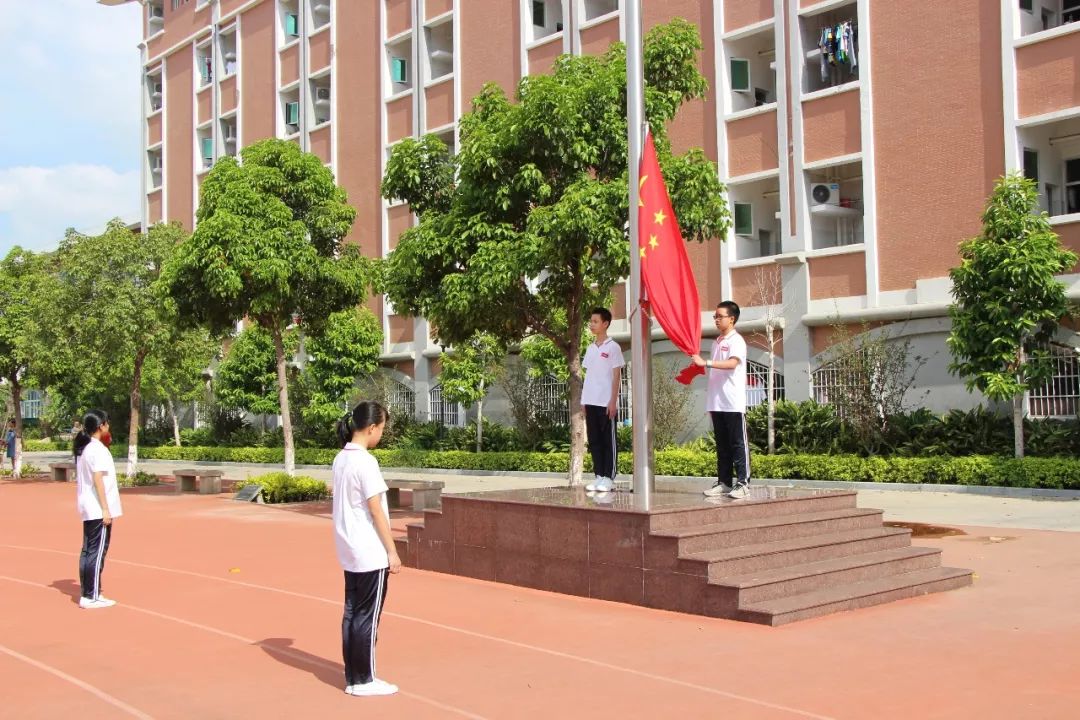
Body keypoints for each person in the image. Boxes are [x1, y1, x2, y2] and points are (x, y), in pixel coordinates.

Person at [332, 401, 401, 697]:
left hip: (348, 549)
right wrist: (392, 551)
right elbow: (376, 510)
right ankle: (364, 679)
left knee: (352, 613)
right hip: (368, 551)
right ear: (371, 428)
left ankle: (354, 675)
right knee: (367, 616)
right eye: (382, 429)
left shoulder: (341, 458)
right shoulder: (365, 462)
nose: (381, 435)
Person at [692, 301, 751, 500]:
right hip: (716, 402)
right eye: (715, 317)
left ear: (731, 319)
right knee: (722, 445)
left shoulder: (737, 340)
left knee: (737, 444)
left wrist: (706, 362)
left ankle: (743, 483)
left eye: (720, 316)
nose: (716, 320)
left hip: (732, 402)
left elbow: (733, 363)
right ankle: (724, 482)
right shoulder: (716, 342)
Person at [74, 410, 122, 609]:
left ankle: (90, 592)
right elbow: (98, 480)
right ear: (101, 425)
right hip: (97, 507)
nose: (108, 426)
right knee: (96, 551)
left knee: (88, 550)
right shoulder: (97, 450)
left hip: (88, 506)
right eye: (107, 422)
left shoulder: (85, 448)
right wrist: (105, 509)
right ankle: (91, 595)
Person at [582, 308, 625, 494]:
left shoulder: (613, 347)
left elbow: (617, 376)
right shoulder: (590, 348)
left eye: (595, 321)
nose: (592, 324)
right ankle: (599, 475)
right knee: (594, 441)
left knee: (609, 440)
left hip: (606, 402)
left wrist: (613, 401)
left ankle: (609, 477)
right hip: (591, 401)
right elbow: (588, 376)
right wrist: (583, 401)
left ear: (605, 324)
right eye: (591, 321)